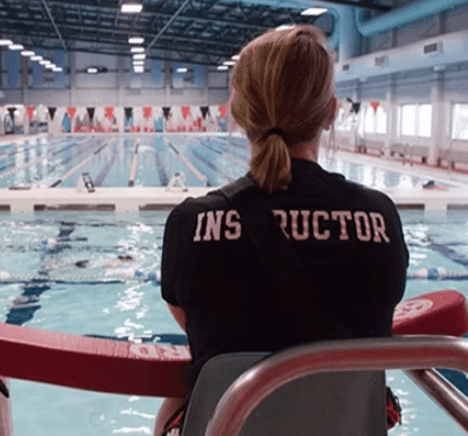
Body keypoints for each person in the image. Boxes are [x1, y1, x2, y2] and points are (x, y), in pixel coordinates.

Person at [156, 25, 409, 436]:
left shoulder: (190, 224)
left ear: (237, 112)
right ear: (331, 111)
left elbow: (197, 328)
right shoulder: (380, 216)